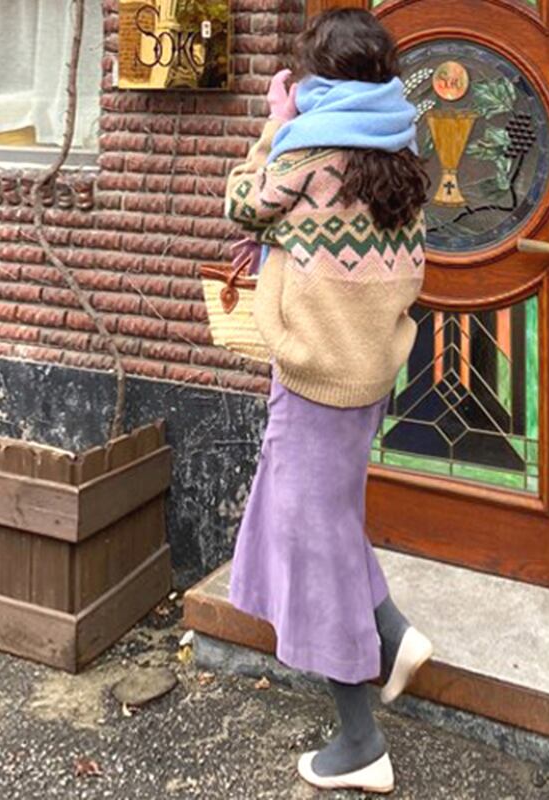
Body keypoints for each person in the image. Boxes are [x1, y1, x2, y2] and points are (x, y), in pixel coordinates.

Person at [224, 9, 433, 794]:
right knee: (329, 520)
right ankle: (394, 636)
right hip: (369, 373)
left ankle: (360, 740)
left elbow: (240, 203)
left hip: (313, 378)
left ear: (323, 77)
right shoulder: (403, 151)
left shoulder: (307, 152)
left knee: (314, 544)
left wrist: (274, 124)